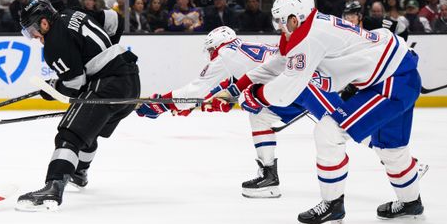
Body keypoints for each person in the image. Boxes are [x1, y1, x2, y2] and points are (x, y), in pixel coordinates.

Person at [232, 0, 426, 224]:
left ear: (295, 18)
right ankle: (411, 203)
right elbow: (280, 62)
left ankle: (333, 207)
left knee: (329, 131)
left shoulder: (310, 38)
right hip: (398, 75)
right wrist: (238, 86)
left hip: (391, 82)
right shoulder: (311, 27)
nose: (279, 26)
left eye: (282, 21)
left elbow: (287, 89)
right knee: (391, 148)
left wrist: (255, 96)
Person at [136, 26, 343, 198]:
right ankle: (268, 176)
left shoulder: (224, 56)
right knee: (259, 115)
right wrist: (189, 105)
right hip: (299, 87)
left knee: (349, 126)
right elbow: (227, 89)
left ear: (216, 45)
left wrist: (161, 104)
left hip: (302, 89)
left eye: (210, 50)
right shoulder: (243, 50)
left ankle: (270, 175)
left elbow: (197, 90)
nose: (210, 56)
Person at [15, 0, 138, 211]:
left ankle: (53, 187)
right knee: (89, 130)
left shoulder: (54, 43)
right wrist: (105, 50)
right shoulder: (72, 13)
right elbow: (113, 19)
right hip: (131, 81)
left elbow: (74, 84)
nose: (34, 37)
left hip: (107, 86)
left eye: (32, 30)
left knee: (69, 135)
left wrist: (51, 90)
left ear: (44, 23)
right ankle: (79, 172)